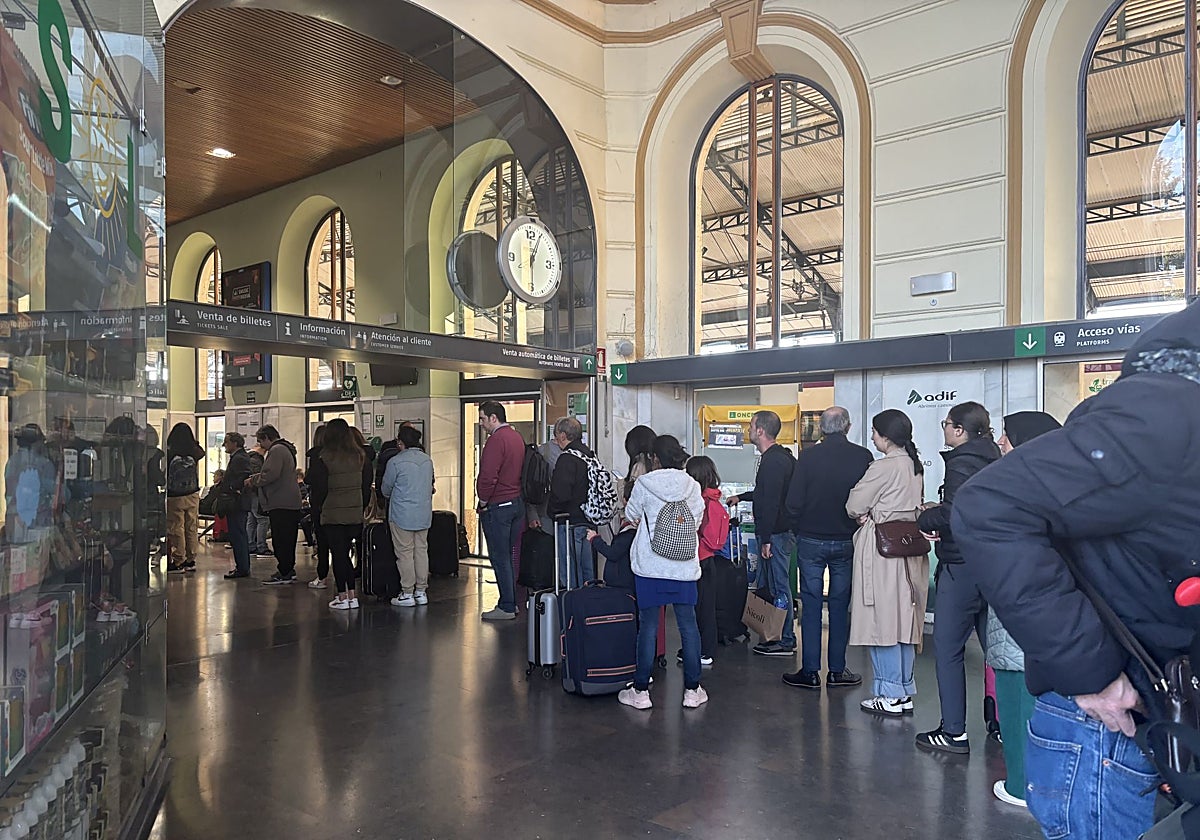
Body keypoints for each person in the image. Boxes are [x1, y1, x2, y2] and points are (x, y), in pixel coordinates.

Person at [952, 306, 1200, 839]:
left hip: (1153, 716)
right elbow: (987, 509)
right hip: (1114, 724)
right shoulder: (1169, 416)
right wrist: (1090, 672)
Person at [980, 411, 1062, 807]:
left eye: (1007, 437)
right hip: (1061, 622)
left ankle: (1021, 786)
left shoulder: (1015, 488)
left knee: (1016, 701)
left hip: (1017, 611)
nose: (1000, 443)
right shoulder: (1068, 483)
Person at [914, 401, 1000, 756]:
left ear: (961, 430)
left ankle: (953, 731)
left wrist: (926, 520)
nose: (944, 430)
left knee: (948, 649)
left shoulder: (962, 462)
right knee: (995, 650)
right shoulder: (994, 458)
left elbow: (955, 513)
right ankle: (1003, 723)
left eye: (947, 424)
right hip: (991, 564)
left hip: (961, 565)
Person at [782, 406, 874, 690]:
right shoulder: (863, 457)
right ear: (848, 427)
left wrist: (798, 529)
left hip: (810, 539)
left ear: (821, 429)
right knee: (838, 604)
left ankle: (809, 671)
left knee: (810, 604)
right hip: (847, 539)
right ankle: (837, 669)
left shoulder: (808, 457)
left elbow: (793, 501)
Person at [846, 409, 929, 717]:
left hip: (881, 552)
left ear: (885, 436)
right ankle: (903, 690)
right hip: (908, 549)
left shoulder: (883, 467)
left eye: (874, 432)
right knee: (904, 622)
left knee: (881, 621)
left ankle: (889, 692)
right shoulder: (914, 466)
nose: (871, 437)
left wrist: (864, 514)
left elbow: (854, 504)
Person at [619, 434, 708, 710]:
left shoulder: (644, 484)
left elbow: (631, 515)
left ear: (655, 458)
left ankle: (641, 691)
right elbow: (697, 519)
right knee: (688, 626)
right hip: (683, 567)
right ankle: (692, 691)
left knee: (648, 627)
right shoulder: (692, 485)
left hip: (650, 567)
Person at [727, 410, 797, 657]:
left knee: (780, 587)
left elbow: (772, 502)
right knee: (773, 586)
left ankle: (785, 639)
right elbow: (764, 493)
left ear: (760, 431)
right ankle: (775, 634)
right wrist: (742, 497)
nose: (748, 430)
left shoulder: (774, 461)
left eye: (750, 426)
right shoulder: (777, 459)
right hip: (775, 533)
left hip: (776, 535)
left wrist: (766, 538)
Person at [306, 419, 371, 609]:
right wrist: (360, 506)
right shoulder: (360, 456)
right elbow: (366, 486)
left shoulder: (324, 457)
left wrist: (319, 508)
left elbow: (317, 486)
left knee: (339, 554)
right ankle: (352, 595)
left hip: (332, 512)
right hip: (354, 512)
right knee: (347, 555)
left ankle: (343, 596)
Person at [475, 400, 525, 621]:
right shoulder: (516, 437)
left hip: (499, 506)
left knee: (500, 556)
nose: (481, 423)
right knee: (508, 554)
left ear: (494, 418)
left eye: (483, 418)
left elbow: (488, 476)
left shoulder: (496, 441)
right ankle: (511, 602)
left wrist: (483, 501)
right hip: (516, 503)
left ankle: (506, 605)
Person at [381, 425, 435, 607]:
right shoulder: (427, 460)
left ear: (400, 442)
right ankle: (421, 591)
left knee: (404, 553)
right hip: (423, 513)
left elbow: (386, 489)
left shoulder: (395, 462)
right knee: (421, 551)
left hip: (401, 514)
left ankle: (407, 592)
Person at [685, 455, 729, 669]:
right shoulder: (714, 498)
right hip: (710, 559)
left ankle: (702, 651)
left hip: (698, 558)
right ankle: (702, 649)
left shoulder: (699, 501)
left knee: (697, 608)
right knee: (707, 608)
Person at [245, 424, 303, 585]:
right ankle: (288, 570)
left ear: (267, 438)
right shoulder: (287, 449)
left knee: (281, 539)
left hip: (281, 501)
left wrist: (253, 480)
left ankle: (284, 571)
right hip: (290, 501)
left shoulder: (277, 450)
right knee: (288, 538)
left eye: (260, 441)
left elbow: (270, 474)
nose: (260, 446)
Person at [546, 416, 597, 587]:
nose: (555, 440)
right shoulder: (589, 455)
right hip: (588, 520)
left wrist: (551, 512)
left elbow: (561, 494)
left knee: (569, 572)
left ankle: (572, 606)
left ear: (562, 435)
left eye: (556, 436)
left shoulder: (567, 458)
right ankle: (589, 603)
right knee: (586, 569)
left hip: (569, 521)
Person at [165, 422, 205, 574]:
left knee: (176, 528)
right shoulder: (193, 451)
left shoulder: (170, 452)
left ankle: (178, 560)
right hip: (193, 493)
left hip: (175, 495)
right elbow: (202, 453)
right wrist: (194, 442)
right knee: (191, 527)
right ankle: (191, 559)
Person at [220, 433, 254, 579]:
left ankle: (242, 567)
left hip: (237, 503)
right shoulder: (239, 457)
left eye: (226, 442)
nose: (224, 445)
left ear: (235, 443)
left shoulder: (239, 458)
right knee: (238, 534)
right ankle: (242, 566)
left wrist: (233, 488)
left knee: (238, 534)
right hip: (238, 502)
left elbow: (245, 476)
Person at [305, 426, 331, 588]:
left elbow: (310, 478)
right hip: (334, 501)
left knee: (321, 541)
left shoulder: (315, 456)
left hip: (318, 502)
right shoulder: (337, 455)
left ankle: (322, 576)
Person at [526, 435, 563, 531]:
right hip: (545, 511)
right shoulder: (542, 451)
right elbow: (531, 484)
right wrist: (532, 514)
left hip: (552, 511)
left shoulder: (574, 453)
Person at [246, 442, 270, 557]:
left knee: (252, 520)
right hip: (256, 493)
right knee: (262, 519)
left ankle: (250, 544)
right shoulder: (256, 460)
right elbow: (259, 477)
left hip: (249, 493)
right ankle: (261, 546)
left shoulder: (249, 458)